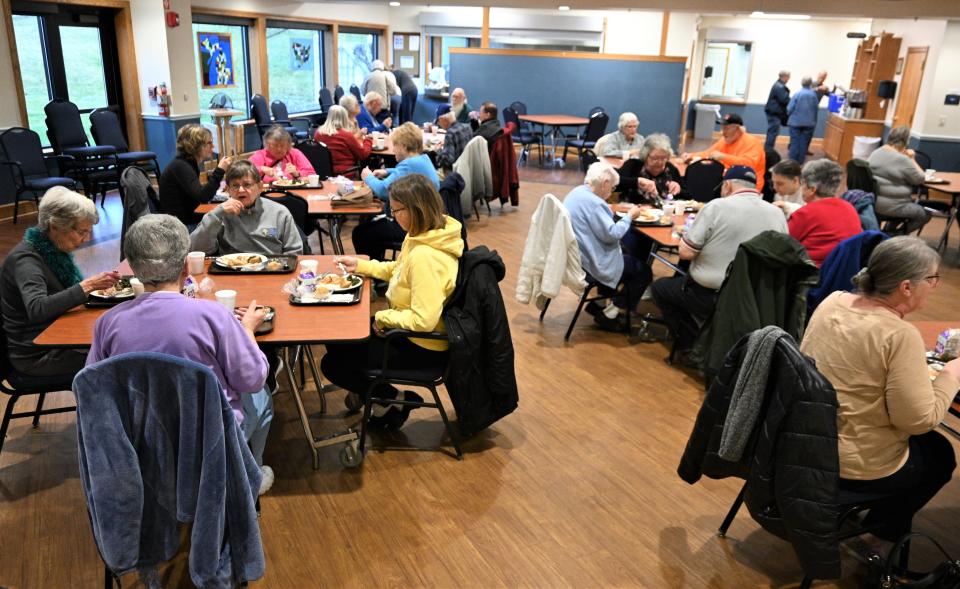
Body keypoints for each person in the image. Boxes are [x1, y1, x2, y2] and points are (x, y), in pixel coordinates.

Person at [86, 214, 276, 495]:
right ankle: (249, 474)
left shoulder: (108, 322)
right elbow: (252, 379)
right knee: (263, 396)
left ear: (134, 270)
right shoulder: (214, 315)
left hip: (139, 438)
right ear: (186, 267)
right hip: (209, 437)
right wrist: (248, 330)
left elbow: (92, 390)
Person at [800, 236, 958, 545]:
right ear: (906, 287)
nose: (934, 286)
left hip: (806, 440)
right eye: (932, 279)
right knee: (939, 455)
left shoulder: (832, 301)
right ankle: (884, 532)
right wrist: (952, 374)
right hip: (854, 461)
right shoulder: (899, 335)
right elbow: (917, 421)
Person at [322, 174, 464, 428]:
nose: (393, 216)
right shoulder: (425, 234)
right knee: (336, 338)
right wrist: (362, 265)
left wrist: (383, 318)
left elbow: (423, 320)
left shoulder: (425, 256)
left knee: (333, 365)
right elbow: (399, 270)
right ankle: (377, 396)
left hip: (422, 347)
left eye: (396, 210)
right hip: (407, 332)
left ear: (416, 210)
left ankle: (394, 398)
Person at [646, 166, 787, 358]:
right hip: (756, 297)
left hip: (710, 294)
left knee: (660, 289)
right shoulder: (777, 213)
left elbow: (686, 253)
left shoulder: (716, 206)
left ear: (727, 186)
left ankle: (692, 345)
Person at [0, 187, 119, 377]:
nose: (86, 239)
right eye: (81, 232)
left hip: (55, 339)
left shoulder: (52, 251)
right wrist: (87, 286)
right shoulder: (26, 261)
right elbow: (37, 308)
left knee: (118, 341)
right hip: (38, 355)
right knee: (120, 354)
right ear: (55, 225)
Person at [564, 162, 651, 333]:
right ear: (604, 183)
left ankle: (597, 304)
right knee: (643, 271)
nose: (612, 192)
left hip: (578, 258)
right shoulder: (596, 203)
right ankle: (611, 313)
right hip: (593, 262)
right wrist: (630, 216)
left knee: (626, 254)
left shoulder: (577, 193)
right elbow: (612, 234)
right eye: (612, 187)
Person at [354, 123, 440, 261]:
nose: (393, 149)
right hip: (426, 218)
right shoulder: (422, 160)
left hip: (414, 224)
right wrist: (387, 171)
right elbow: (406, 174)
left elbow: (383, 191)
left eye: (395, 145)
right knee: (373, 228)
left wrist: (367, 177)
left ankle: (374, 275)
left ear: (404, 146)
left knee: (361, 233)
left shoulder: (409, 165)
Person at [190, 160, 303, 256]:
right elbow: (196, 249)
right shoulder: (221, 214)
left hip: (271, 272)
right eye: (235, 186)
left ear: (259, 187)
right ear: (228, 189)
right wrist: (216, 214)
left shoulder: (279, 213)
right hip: (231, 273)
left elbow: (295, 251)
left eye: (247, 185)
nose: (241, 190)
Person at [787, 159, 862, 266]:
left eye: (803, 183)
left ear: (812, 189)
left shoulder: (805, 214)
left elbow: (784, 246)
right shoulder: (850, 208)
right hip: (845, 271)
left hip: (812, 274)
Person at [159, 124, 232, 227]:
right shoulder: (181, 166)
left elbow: (198, 195)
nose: (213, 146)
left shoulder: (187, 163)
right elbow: (202, 196)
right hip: (181, 227)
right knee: (228, 224)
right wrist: (220, 170)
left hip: (187, 219)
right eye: (209, 143)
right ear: (196, 146)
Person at [682, 114, 766, 192]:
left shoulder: (751, 142)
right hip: (727, 181)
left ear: (737, 129)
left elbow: (749, 164)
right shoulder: (726, 140)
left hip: (748, 185)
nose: (722, 132)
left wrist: (723, 157)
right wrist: (691, 155)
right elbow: (709, 153)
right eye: (722, 128)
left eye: (726, 128)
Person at [868, 125, 929, 233]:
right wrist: (912, 158)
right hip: (893, 205)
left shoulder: (876, 152)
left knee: (905, 211)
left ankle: (888, 232)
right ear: (905, 141)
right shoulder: (902, 159)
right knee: (923, 214)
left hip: (873, 202)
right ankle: (894, 237)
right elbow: (921, 178)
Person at [615, 133, 682, 205]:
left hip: (663, 213)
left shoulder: (671, 169)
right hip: (632, 212)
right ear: (645, 155)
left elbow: (689, 193)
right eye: (655, 158)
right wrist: (637, 181)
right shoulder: (633, 165)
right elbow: (615, 183)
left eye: (663, 158)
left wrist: (679, 189)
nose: (659, 162)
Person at [313, 105, 373, 177]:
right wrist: (368, 140)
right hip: (346, 173)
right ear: (344, 118)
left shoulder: (318, 133)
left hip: (324, 174)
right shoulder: (346, 135)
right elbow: (363, 154)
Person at [248, 126, 315, 184]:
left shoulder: (295, 153)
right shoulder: (261, 155)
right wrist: (261, 169)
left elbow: (312, 175)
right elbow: (244, 171)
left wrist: (297, 173)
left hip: (294, 193)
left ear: (288, 145)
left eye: (282, 145)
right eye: (275, 145)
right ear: (267, 145)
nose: (279, 149)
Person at [786, 76, 819, 164]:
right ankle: (800, 162)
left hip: (795, 122)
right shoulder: (813, 95)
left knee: (794, 142)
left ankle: (792, 162)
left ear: (802, 83)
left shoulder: (797, 94)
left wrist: (787, 117)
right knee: (804, 143)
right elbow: (816, 109)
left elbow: (789, 108)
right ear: (810, 84)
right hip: (809, 123)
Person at [764, 70, 790, 149]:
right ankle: (768, 151)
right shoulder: (780, 87)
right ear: (785, 77)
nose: (788, 79)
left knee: (772, 132)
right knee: (773, 132)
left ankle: (768, 150)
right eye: (788, 77)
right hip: (774, 113)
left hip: (773, 112)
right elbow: (785, 100)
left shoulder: (777, 85)